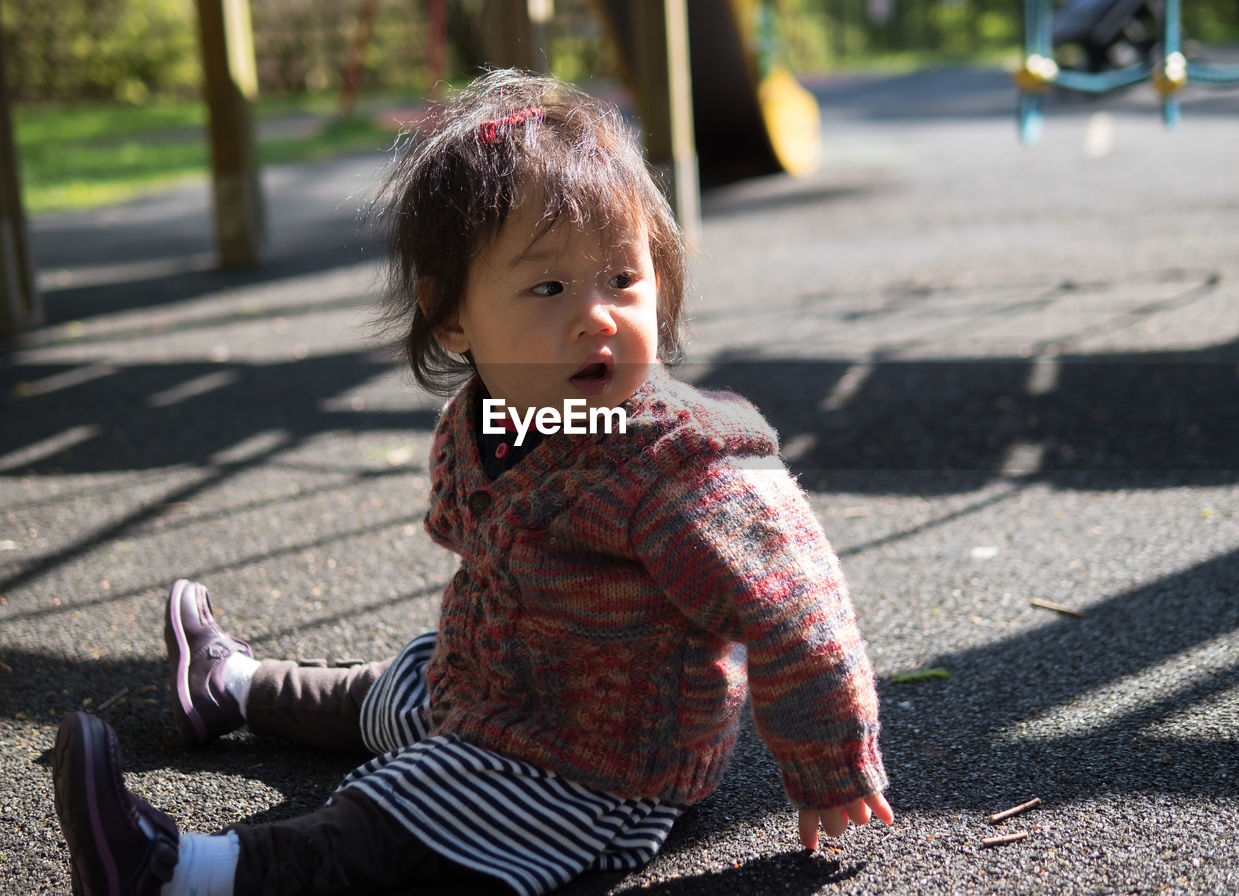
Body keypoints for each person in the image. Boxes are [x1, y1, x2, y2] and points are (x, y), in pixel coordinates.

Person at [51, 69, 892, 896]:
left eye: (623, 279)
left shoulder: (681, 462)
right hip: (505, 686)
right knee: (400, 684)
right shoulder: (483, 417)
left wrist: (829, 766)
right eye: (549, 285)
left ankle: (183, 873)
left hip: (603, 767)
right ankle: (231, 686)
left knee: (407, 804)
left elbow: (796, 609)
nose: (596, 313)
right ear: (452, 316)